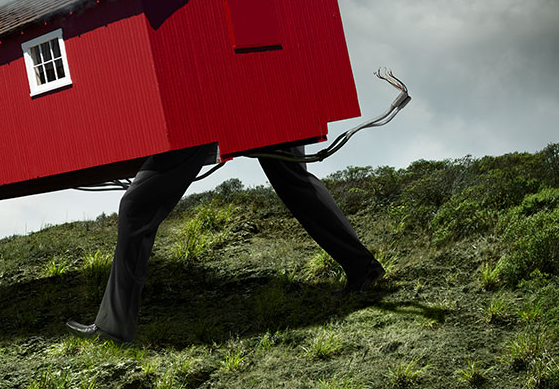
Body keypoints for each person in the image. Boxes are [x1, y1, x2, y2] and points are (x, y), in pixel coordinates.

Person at [66, 143, 385, 343]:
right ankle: (364, 269)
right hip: (266, 91)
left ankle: (113, 327)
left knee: (136, 208)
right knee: (295, 180)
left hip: (204, 106)